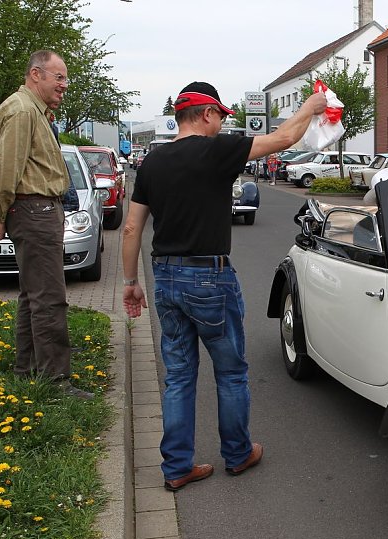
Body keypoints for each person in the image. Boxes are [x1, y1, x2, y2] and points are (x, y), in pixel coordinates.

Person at [121, 81, 327, 491]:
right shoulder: (217, 151)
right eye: (220, 116)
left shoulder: (152, 163)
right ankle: (237, 453)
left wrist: (130, 281)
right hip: (209, 276)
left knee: (178, 376)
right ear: (205, 113)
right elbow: (285, 137)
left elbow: (131, 227)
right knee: (230, 372)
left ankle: (177, 467)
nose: (221, 124)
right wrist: (311, 106)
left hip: (165, 276)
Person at [0, 50, 92, 400]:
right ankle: (56, 382)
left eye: (65, 78)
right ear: (35, 75)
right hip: (34, 211)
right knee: (49, 298)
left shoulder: (30, 110)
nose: (64, 85)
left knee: (34, 295)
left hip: (36, 211)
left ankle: (28, 368)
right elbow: (3, 171)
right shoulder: (22, 111)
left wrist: (2, 212)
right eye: (58, 77)